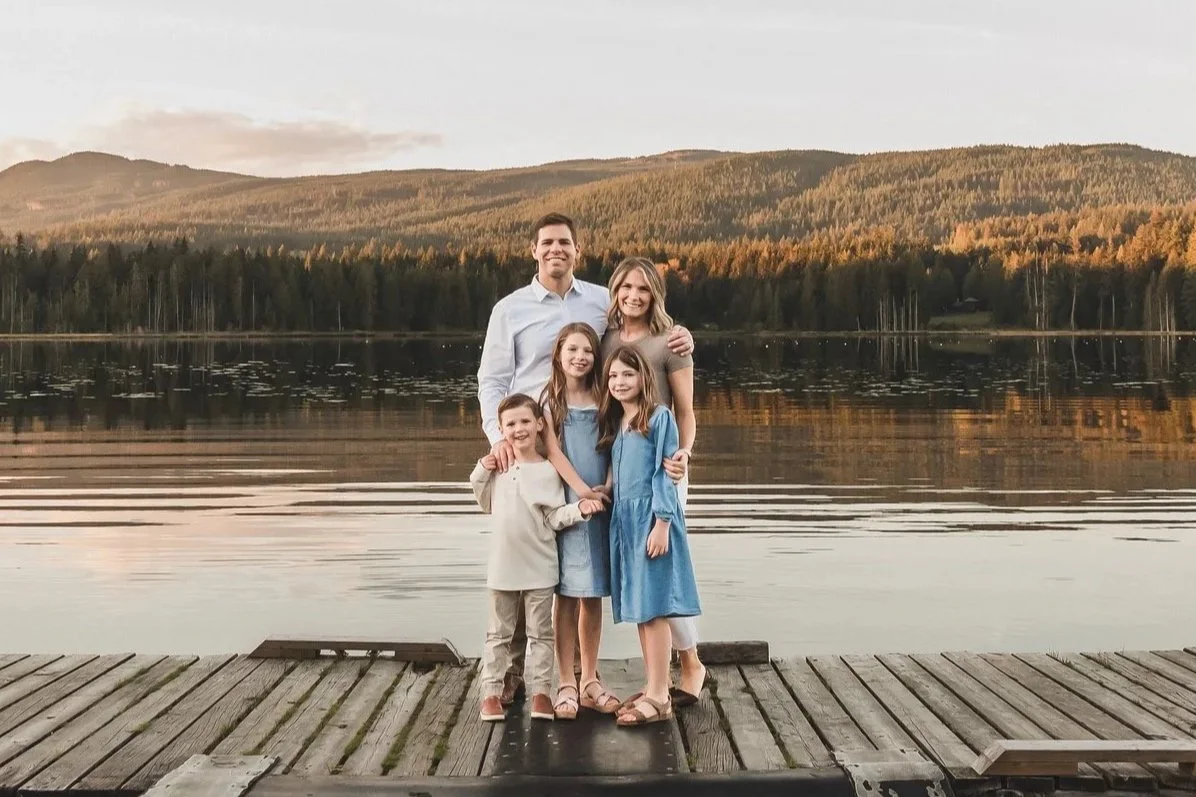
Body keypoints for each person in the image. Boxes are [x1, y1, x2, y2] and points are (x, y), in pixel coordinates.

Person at [476, 212, 694, 706]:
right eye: (547, 243)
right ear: (533, 250)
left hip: (600, 447)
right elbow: (491, 382)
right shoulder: (508, 309)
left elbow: (643, 327)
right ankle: (518, 678)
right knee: (528, 567)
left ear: (578, 251)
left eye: (565, 243)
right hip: (529, 455)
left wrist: (683, 338)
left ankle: (607, 676)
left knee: (592, 575)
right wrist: (501, 439)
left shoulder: (601, 299)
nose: (556, 250)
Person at [601, 256, 706, 708]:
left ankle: (687, 665)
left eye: (643, 288)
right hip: (624, 465)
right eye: (626, 287)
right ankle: (671, 673)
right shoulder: (606, 338)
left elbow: (685, 410)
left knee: (662, 570)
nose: (634, 296)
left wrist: (683, 454)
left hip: (666, 465)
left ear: (655, 294)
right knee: (648, 575)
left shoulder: (671, 341)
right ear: (615, 290)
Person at [470, 393, 604, 722]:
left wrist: (579, 509)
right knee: (498, 633)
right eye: (511, 424)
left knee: (541, 633)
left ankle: (543, 692)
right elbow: (484, 502)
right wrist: (481, 470)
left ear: (539, 424)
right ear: (501, 429)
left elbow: (553, 518)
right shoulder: (499, 467)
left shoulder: (548, 471)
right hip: (503, 566)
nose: (519, 429)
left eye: (525, 421)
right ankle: (491, 692)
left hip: (541, 567)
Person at [538, 323, 621, 719]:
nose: (580, 357)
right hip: (570, 505)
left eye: (587, 350)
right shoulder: (550, 402)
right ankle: (565, 683)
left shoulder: (606, 397)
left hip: (603, 502)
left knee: (592, 594)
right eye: (572, 349)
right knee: (567, 594)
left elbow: (616, 445)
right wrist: (582, 492)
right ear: (559, 354)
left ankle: (590, 679)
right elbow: (554, 453)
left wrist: (605, 485)